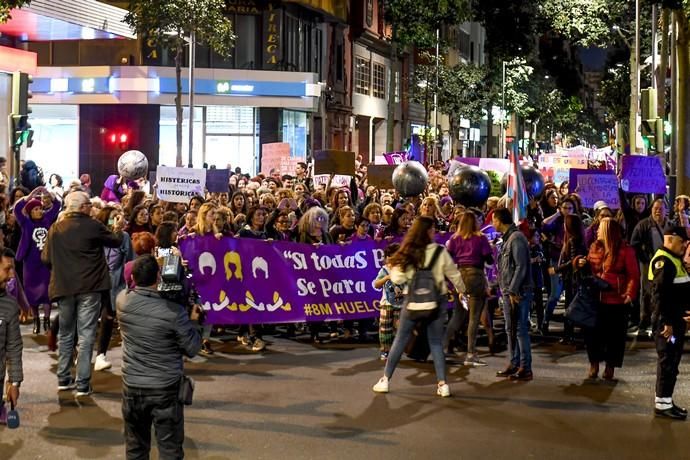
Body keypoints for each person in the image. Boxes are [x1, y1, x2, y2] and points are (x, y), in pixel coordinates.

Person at [117, 254, 202, 459]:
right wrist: (194, 321)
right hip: (165, 389)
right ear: (158, 277)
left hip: (132, 387)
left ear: (134, 278)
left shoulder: (121, 301)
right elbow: (192, 348)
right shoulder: (173, 312)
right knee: (170, 449)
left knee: (136, 448)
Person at [42, 191, 124, 396]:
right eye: (88, 204)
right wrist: (118, 228)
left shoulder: (55, 229)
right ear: (81, 207)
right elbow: (115, 241)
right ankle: (83, 384)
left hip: (63, 287)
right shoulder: (92, 225)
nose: (90, 207)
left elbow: (46, 259)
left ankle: (63, 378)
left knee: (66, 334)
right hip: (90, 287)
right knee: (86, 335)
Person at [372, 216, 464, 397]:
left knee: (399, 340)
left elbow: (397, 278)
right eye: (432, 229)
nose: (434, 232)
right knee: (436, 343)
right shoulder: (439, 251)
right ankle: (442, 384)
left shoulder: (408, 252)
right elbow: (455, 276)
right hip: (437, 301)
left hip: (413, 302)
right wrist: (462, 291)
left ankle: (385, 380)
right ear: (428, 231)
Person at [576, 218, 639, 380]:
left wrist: (629, 294)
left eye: (600, 228)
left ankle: (610, 366)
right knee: (592, 334)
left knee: (614, 337)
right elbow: (589, 270)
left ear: (609, 230)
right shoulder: (594, 247)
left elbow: (633, 275)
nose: (597, 231)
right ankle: (594, 364)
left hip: (616, 300)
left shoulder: (626, 250)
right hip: (596, 298)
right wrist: (580, 262)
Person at [649, 225, 690, 420]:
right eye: (682, 242)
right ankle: (662, 405)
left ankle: (666, 401)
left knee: (672, 362)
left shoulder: (673, 259)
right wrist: (666, 323)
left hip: (674, 321)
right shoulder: (664, 262)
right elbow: (660, 296)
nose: (684, 246)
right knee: (668, 362)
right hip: (668, 325)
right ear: (671, 239)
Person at [445, 211, 493, 366]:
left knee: (457, 316)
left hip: (459, 276)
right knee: (473, 317)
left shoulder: (454, 238)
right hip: (475, 275)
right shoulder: (481, 238)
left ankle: (441, 346)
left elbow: (447, 258)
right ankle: (471, 354)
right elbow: (489, 259)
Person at [492, 208, 534, 381]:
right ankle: (514, 362)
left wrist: (513, 290)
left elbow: (520, 266)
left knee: (520, 329)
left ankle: (526, 367)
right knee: (511, 329)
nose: (492, 223)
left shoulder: (516, 238)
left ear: (500, 220)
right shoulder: (508, 239)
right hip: (508, 291)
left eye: (493, 219)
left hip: (518, 293)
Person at [14, 187, 60, 334]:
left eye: (40, 208)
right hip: (30, 262)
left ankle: (46, 321)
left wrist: (49, 194)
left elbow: (57, 205)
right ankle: (36, 321)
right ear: (30, 212)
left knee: (46, 293)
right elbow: (17, 208)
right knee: (32, 293)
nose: (39, 211)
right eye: (36, 209)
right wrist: (30, 196)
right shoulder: (25, 222)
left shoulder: (47, 219)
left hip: (45, 262)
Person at [630, 198, 668, 336]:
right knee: (647, 291)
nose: (658, 211)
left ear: (665, 211)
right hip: (648, 263)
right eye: (655, 209)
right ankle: (644, 320)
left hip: (666, 264)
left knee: (663, 292)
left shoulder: (669, 225)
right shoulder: (643, 225)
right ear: (651, 210)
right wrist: (645, 258)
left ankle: (660, 320)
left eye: (661, 209)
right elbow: (634, 244)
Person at [0, 248, 22, 425]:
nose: (12, 275)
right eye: (7, 269)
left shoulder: (10, 305)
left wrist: (14, 382)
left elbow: (13, 346)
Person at [374, 243, 403, 360]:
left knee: (399, 328)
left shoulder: (404, 270)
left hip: (401, 303)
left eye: (394, 256)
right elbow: (376, 284)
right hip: (386, 303)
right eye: (388, 256)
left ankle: (396, 351)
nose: (390, 259)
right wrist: (386, 278)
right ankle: (385, 351)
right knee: (385, 328)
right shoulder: (384, 270)